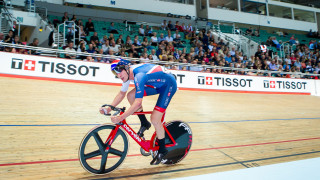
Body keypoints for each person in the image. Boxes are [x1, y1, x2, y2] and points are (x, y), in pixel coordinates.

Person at [100, 59, 177, 165]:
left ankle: (163, 149)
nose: (118, 75)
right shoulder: (127, 74)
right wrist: (110, 108)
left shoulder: (139, 76)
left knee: (155, 119)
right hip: (156, 83)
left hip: (168, 85)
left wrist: (121, 118)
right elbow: (122, 93)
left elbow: (138, 103)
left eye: (119, 71)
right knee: (130, 95)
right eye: (115, 72)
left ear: (126, 68)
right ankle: (144, 122)